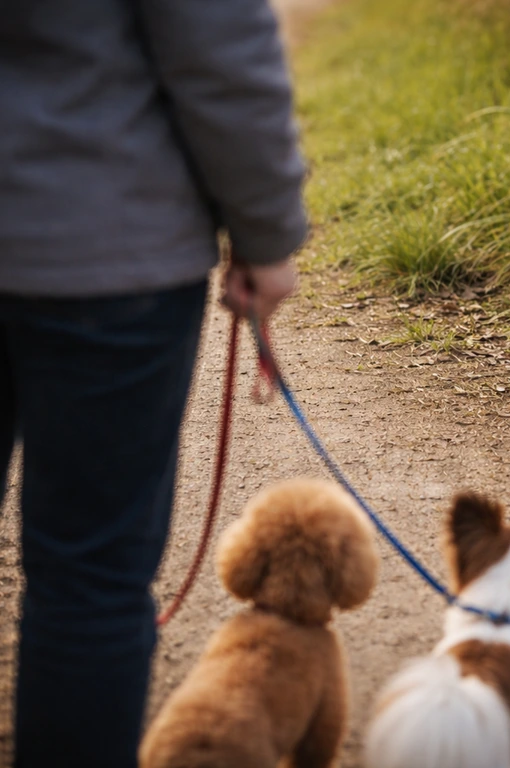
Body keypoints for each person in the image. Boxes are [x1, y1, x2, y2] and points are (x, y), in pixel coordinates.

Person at [0, 1, 307, 765]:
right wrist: (264, 229)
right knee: (90, 579)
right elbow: (217, 46)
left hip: (97, 253)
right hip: (101, 245)